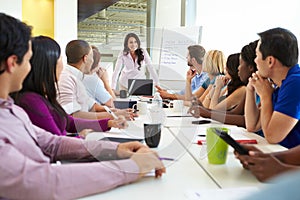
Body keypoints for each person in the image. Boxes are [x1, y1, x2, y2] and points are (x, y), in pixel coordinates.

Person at [0, 13, 165, 199]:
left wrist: (117, 151)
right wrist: (133, 167)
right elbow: (39, 182)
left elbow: (52, 144)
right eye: (28, 60)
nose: (30, 67)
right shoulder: (26, 103)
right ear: (13, 63)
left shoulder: (11, 109)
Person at [13, 36, 126, 138]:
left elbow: (68, 121)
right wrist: (80, 137)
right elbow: (56, 142)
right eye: (59, 58)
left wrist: (109, 121)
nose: (62, 62)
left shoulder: (43, 97)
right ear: (48, 65)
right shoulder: (33, 101)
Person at [244, 27, 300, 148]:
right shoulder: (281, 85)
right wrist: (250, 89)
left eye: (257, 55)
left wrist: (265, 96)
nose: (255, 61)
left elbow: (272, 136)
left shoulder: (295, 83)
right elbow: (252, 126)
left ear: (270, 61)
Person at [57, 39, 133, 120]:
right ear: (85, 58)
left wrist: (113, 111)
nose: (92, 61)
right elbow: (72, 115)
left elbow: (90, 105)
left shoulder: (77, 76)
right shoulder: (66, 78)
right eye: (91, 57)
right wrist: (114, 115)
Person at [188, 41, 258, 128]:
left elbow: (246, 121)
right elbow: (234, 113)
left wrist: (207, 112)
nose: (239, 68)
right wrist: (204, 109)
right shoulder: (249, 87)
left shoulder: (244, 89)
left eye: (240, 64)